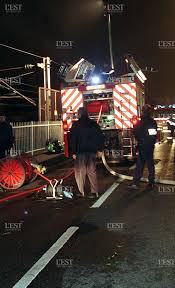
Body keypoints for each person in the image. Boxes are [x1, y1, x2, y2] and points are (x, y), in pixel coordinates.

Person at [69, 107, 105, 198]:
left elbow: (73, 139)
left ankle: (81, 192)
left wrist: (73, 152)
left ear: (79, 114)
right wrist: (100, 149)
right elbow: (100, 136)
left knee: (80, 172)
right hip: (91, 151)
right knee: (91, 171)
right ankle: (94, 192)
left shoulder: (76, 125)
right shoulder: (93, 124)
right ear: (87, 114)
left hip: (80, 152)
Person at [129, 104, 157, 189]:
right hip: (149, 146)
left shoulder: (140, 122)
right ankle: (151, 182)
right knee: (150, 164)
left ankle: (135, 183)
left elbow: (135, 132)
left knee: (140, 164)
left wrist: (134, 125)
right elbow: (153, 135)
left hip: (142, 146)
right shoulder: (152, 122)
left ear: (143, 111)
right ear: (150, 112)